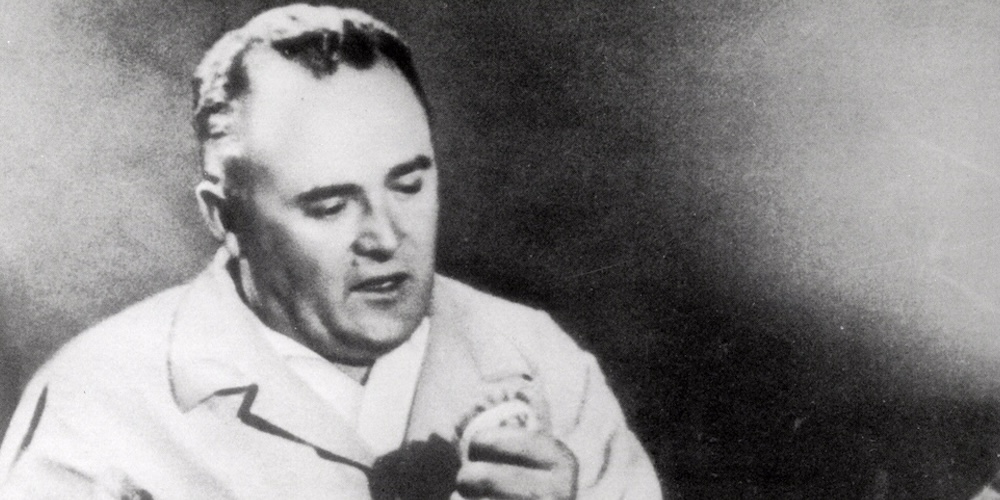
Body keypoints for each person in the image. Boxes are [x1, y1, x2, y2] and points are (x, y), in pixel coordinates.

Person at [0, 4, 662, 499]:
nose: (385, 237)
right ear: (224, 216)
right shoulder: (99, 400)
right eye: (329, 205)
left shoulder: (539, 358)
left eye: (408, 185)